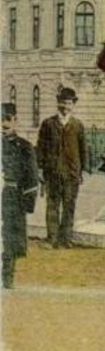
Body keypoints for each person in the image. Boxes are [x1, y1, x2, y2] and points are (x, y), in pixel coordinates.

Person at [36, 86, 87, 248]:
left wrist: (81, 171)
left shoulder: (78, 125)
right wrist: (39, 169)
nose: (66, 106)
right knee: (52, 205)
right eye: (63, 103)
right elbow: (41, 148)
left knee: (69, 206)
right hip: (52, 172)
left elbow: (83, 149)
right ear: (58, 103)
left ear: (73, 105)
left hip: (72, 173)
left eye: (69, 103)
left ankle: (66, 238)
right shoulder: (48, 124)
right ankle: (52, 239)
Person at [2, 103, 39, 288]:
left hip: (11, 198)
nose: (3, 123)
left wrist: (27, 203)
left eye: (8, 119)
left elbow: (32, 177)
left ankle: (7, 278)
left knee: (9, 238)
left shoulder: (24, 147)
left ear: (15, 120)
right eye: (0, 119)